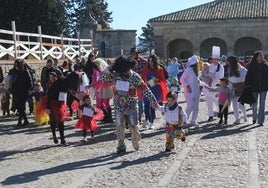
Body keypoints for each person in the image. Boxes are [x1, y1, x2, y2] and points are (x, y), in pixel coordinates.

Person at [100, 55, 159, 153]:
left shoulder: (135, 76)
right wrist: (109, 68)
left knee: (134, 125)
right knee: (119, 126)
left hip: (132, 105)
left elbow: (144, 88)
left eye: (127, 69)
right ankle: (121, 145)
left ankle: (136, 139)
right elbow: (102, 79)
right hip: (118, 105)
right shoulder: (115, 75)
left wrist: (153, 100)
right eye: (124, 70)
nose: (126, 72)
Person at [46, 72, 80, 145]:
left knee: (61, 121)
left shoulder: (68, 84)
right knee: (54, 120)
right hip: (53, 102)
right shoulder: (60, 81)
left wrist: (77, 100)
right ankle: (54, 135)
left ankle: (62, 139)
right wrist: (48, 107)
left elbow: (69, 95)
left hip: (60, 103)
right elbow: (49, 94)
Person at [141, 54, 169, 129]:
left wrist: (156, 79)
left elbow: (162, 79)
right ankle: (146, 119)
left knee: (152, 106)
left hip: (155, 89)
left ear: (155, 61)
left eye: (152, 61)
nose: (150, 63)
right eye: (149, 61)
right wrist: (144, 83)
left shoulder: (160, 69)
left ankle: (151, 122)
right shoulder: (146, 69)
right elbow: (142, 78)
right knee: (146, 105)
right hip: (147, 88)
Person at [244, 50, 268, 126]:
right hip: (254, 87)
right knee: (254, 104)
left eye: (262, 55)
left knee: (262, 104)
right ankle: (254, 118)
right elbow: (248, 76)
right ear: (256, 57)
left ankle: (261, 121)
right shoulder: (252, 66)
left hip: (263, 87)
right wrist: (247, 85)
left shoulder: (266, 65)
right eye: (260, 55)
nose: (262, 56)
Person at [10, 59, 33, 126]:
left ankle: (20, 121)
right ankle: (25, 120)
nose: (16, 66)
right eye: (15, 65)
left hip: (24, 91)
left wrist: (30, 89)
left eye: (17, 65)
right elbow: (12, 81)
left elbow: (30, 80)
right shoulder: (14, 71)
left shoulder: (25, 71)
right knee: (19, 107)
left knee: (21, 106)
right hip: (16, 91)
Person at [180, 55, 201, 127]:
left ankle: (193, 120)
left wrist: (201, 85)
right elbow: (182, 79)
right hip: (189, 91)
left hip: (197, 91)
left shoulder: (197, 71)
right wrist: (187, 86)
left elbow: (197, 80)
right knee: (190, 106)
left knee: (196, 107)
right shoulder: (188, 70)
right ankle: (184, 120)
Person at [91, 58, 113, 123]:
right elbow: (94, 77)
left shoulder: (106, 70)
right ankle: (105, 116)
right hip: (100, 87)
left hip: (107, 87)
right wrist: (94, 86)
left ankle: (109, 117)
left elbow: (102, 80)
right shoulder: (97, 69)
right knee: (100, 104)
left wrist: (93, 85)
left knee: (106, 103)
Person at [206, 47, 224, 122]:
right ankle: (210, 115)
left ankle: (221, 115)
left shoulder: (221, 67)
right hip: (209, 86)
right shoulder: (211, 66)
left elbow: (221, 77)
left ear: (217, 59)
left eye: (214, 59)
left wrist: (213, 75)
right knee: (209, 101)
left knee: (217, 101)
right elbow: (208, 74)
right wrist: (211, 75)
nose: (213, 60)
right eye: (212, 59)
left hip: (217, 87)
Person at [227, 56, 248, 124]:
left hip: (241, 88)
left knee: (240, 105)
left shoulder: (242, 69)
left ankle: (244, 115)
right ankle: (237, 118)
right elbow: (230, 79)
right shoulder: (230, 69)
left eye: (228, 62)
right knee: (234, 104)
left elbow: (246, 76)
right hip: (233, 88)